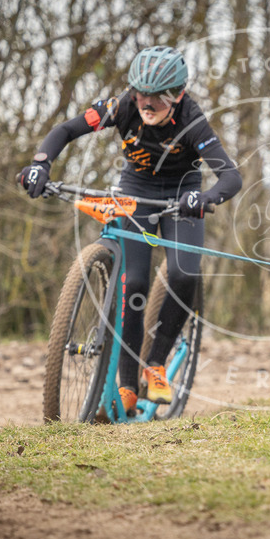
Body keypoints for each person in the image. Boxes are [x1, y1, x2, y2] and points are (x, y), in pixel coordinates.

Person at [19, 45, 242, 415]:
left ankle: (155, 364)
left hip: (180, 195)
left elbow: (231, 176)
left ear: (178, 96)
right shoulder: (120, 106)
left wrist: (204, 198)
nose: (146, 105)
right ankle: (126, 386)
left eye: (157, 98)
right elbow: (66, 129)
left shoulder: (192, 120)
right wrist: (40, 165)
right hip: (136, 191)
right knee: (133, 284)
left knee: (185, 271)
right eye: (141, 95)